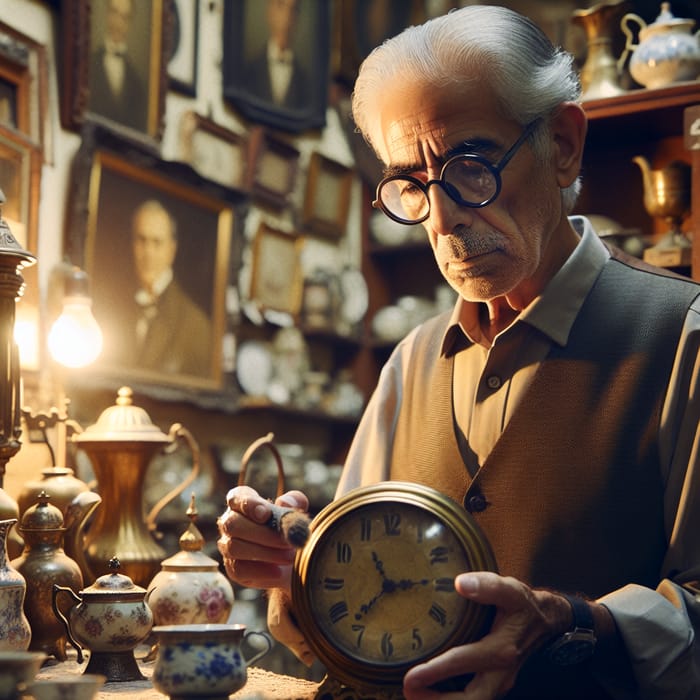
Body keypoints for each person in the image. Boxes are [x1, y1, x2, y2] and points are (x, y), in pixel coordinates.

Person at [217, 5, 700, 699]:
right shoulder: (411, 361)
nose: (441, 219)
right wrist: (291, 563)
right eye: (410, 185)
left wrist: (574, 623)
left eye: (470, 166)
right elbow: (350, 620)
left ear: (562, 143)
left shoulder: (681, 335)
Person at [109, 199, 212, 378]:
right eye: (142, 240)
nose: (148, 253)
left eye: (157, 243)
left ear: (171, 250)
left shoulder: (196, 326)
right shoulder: (112, 307)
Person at [88, 0, 147, 131]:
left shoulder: (137, 83)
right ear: (107, 14)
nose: (118, 23)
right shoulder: (89, 65)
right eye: (114, 13)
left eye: (124, 17)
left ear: (130, 23)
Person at [243, 0, 309, 110]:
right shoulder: (249, 70)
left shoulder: (305, 81)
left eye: (293, 10)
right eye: (281, 6)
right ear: (270, 11)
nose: (287, 17)